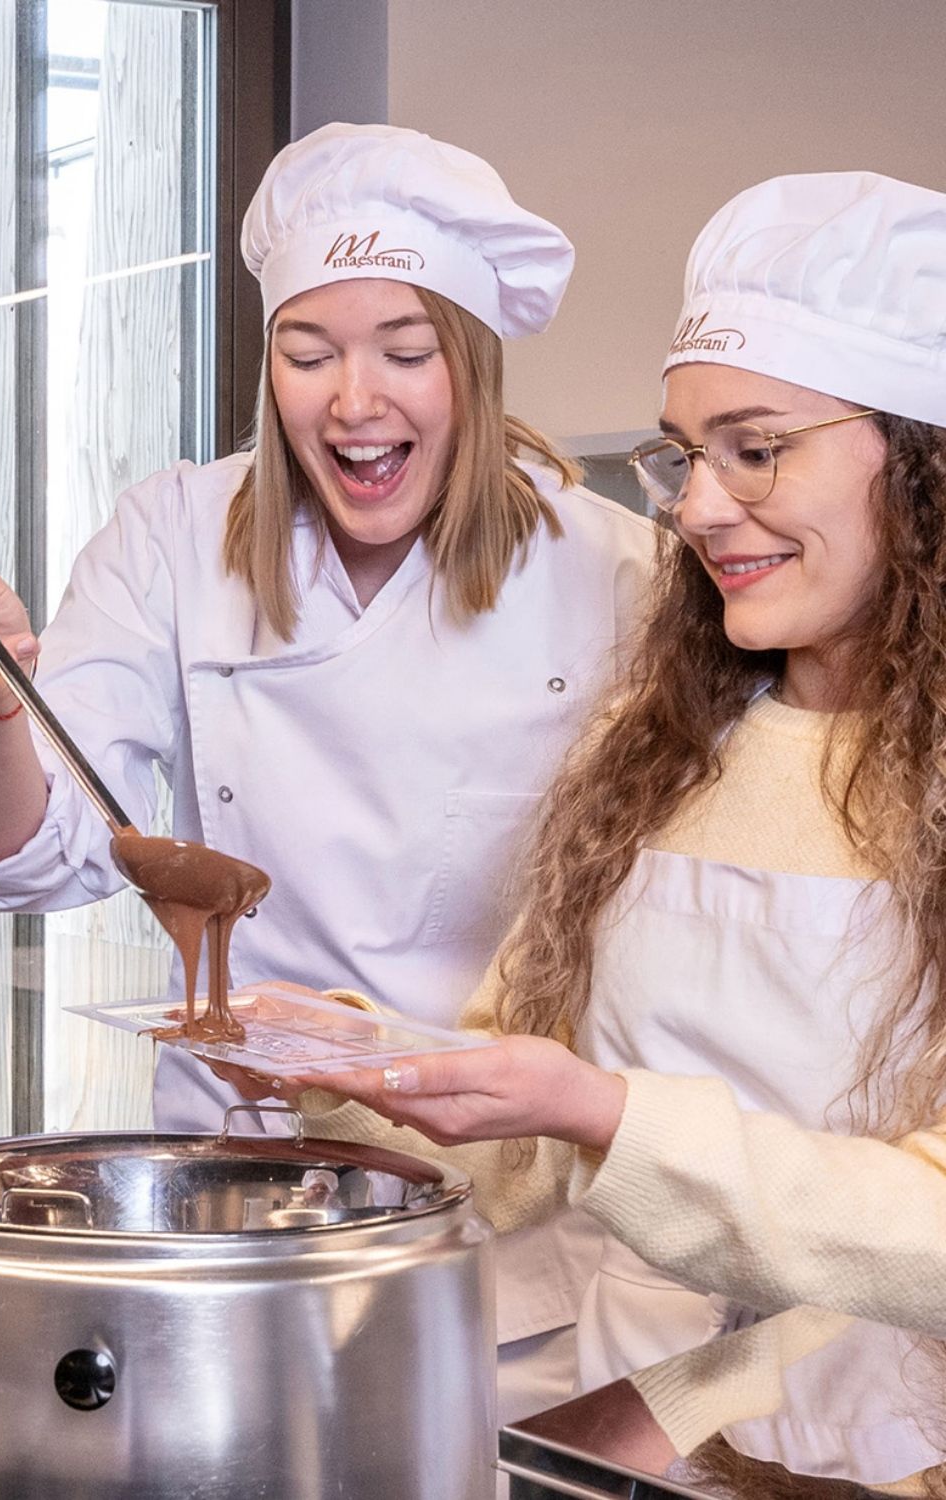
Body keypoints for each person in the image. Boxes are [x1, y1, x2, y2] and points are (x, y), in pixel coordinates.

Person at [308, 171, 946, 1491]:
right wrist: (358, 1082)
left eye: (755, 448)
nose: (697, 507)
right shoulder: (652, 753)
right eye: (687, 453)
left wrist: (607, 1116)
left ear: (923, 462)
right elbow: (535, 1132)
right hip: (642, 1438)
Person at [0, 122, 655, 1135]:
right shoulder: (173, 534)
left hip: (499, 1194)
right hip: (243, 1164)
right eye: (307, 354)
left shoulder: (615, 574)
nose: (352, 401)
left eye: (405, 352)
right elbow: (20, 859)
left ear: (471, 368)